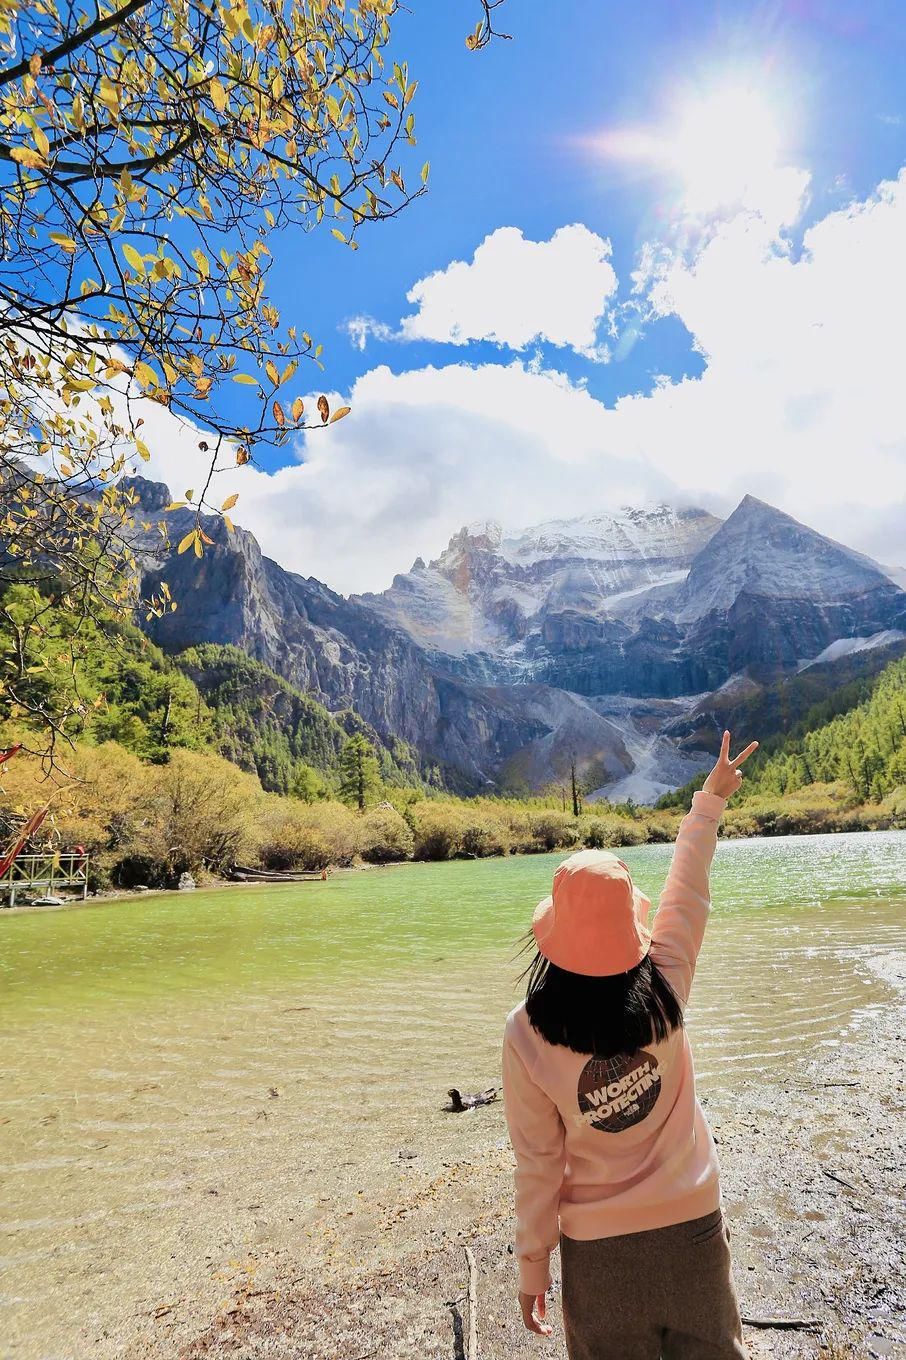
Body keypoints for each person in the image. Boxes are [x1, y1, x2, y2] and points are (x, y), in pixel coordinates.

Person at [502, 730, 759, 1360]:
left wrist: (533, 1263)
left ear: (552, 940)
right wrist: (711, 800)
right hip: (693, 1231)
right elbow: (687, 890)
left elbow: (538, 1163)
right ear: (630, 930)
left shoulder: (526, 1031)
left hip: (599, 1254)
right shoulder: (667, 982)